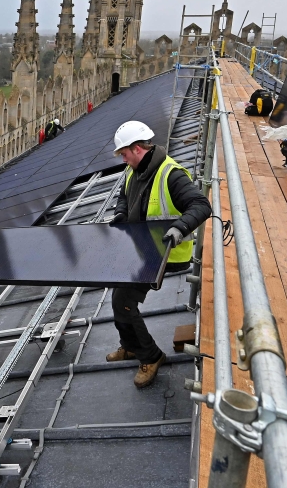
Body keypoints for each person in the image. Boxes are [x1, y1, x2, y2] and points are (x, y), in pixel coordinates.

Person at [106, 120, 212, 388]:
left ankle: (151, 356)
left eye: (124, 153)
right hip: (142, 251)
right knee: (118, 298)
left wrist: (179, 228)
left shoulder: (171, 174)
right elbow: (124, 195)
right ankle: (129, 346)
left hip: (165, 256)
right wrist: (120, 213)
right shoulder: (135, 170)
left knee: (124, 303)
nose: (123, 159)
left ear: (138, 148)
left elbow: (200, 205)